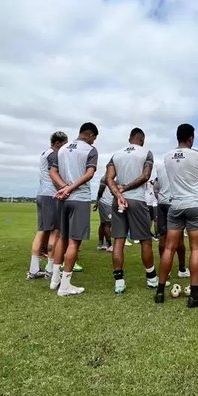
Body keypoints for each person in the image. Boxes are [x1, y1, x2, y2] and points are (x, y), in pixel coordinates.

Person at [154, 123, 198, 308]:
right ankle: (194, 295)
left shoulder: (166, 157)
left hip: (175, 204)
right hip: (194, 203)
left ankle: (160, 292)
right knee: (195, 249)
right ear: (191, 138)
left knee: (168, 249)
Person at [105, 128, 159, 295]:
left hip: (118, 200)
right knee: (145, 241)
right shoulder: (146, 152)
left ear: (130, 139)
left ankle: (119, 282)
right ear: (142, 139)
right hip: (137, 200)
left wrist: (119, 194)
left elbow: (109, 179)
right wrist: (127, 188)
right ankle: (151, 278)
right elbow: (146, 176)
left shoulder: (116, 154)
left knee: (118, 241)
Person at [49, 122, 99, 296]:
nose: (94, 141)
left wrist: (64, 187)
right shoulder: (90, 150)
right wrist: (70, 188)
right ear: (91, 135)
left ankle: (55, 280)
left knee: (62, 238)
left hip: (63, 198)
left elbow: (53, 172)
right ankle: (65, 286)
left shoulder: (61, 149)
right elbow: (89, 174)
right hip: (80, 199)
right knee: (74, 242)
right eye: (94, 138)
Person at [28, 131, 68, 280]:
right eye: (64, 144)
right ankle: (50, 268)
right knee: (55, 232)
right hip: (51, 196)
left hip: (42, 194)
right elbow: (54, 175)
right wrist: (65, 188)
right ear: (58, 143)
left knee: (42, 231)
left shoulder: (44, 153)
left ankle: (34, 269)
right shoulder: (54, 155)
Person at [155, 160, 190, 279]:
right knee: (179, 238)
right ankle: (182, 269)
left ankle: (166, 269)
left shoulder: (159, 165)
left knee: (163, 236)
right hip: (175, 202)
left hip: (161, 203)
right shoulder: (180, 164)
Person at [94, 175, 114, 252]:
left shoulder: (115, 176)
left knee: (103, 223)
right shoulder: (105, 178)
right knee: (107, 224)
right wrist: (97, 202)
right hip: (106, 203)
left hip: (108, 203)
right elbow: (100, 191)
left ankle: (101, 244)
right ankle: (109, 245)